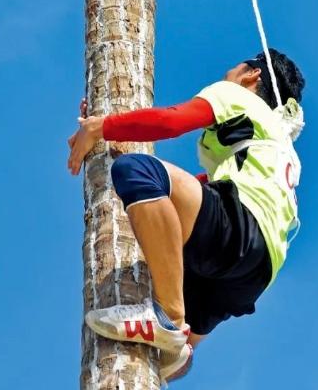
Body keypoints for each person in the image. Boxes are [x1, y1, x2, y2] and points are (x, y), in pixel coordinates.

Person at [67, 50, 305, 385]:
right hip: (258, 272)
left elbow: (172, 121)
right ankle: (175, 338)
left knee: (137, 171)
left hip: (237, 230)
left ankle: (169, 317)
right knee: (174, 351)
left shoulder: (239, 96)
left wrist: (101, 127)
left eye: (235, 66)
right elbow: (197, 192)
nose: (229, 71)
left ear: (252, 75)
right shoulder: (276, 146)